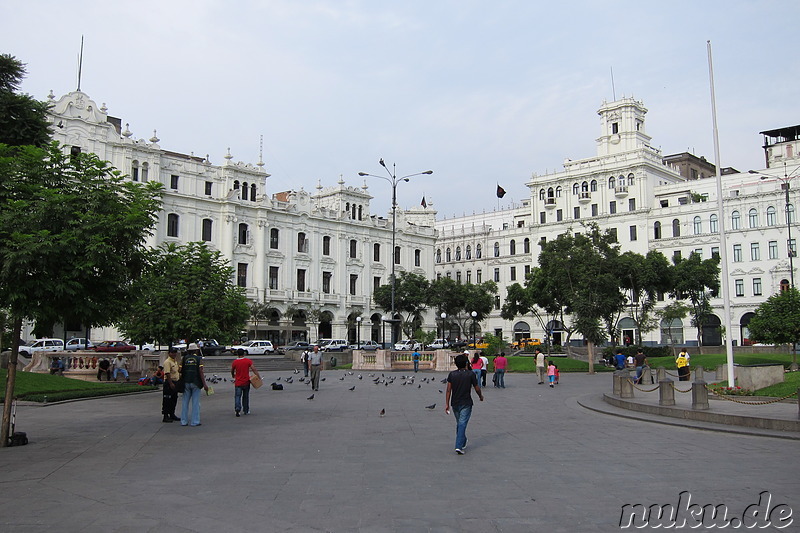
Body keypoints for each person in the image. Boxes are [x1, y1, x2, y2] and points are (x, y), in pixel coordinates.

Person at [445, 353, 484, 455]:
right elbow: (476, 387)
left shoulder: (452, 374)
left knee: (460, 423)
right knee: (462, 424)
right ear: (466, 363)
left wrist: (447, 404)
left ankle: (463, 440)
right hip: (466, 402)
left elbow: (448, 390)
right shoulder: (470, 374)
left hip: (455, 403)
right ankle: (458, 446)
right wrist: (480, 396)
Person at [180, 343, 208, 426]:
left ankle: (183, 421)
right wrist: (204, 384)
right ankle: (195, 421)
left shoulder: (184, 358)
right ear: (196, 350)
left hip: (186, 382)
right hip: (196, 382)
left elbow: (180, 370)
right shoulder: (198, 359)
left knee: (185, 402)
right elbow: (201, 372)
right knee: (195, 403)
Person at [231, 348, 261, 417]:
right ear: (244, 354)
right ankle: (246, 410)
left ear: (237, 354)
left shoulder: (235, 362)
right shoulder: (248, 361)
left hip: (238, 382)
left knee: (237, 396)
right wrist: (258, 377)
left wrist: (233, 375)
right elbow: (254, 369)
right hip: (246, 382)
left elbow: (232, 370)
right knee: (245, 396)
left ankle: (237, 409)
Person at [162, 348, 182, 423]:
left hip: (175, 382)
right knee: (167, 399)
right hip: (169, 382)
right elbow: (167, 373)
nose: (174, 354)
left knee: (174, 399)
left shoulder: (175, 362)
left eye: (175, 353)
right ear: (169, 353)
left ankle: (172, 414)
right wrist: (171, 383)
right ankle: (165, 416)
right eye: (172, 353)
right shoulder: (167, 362)